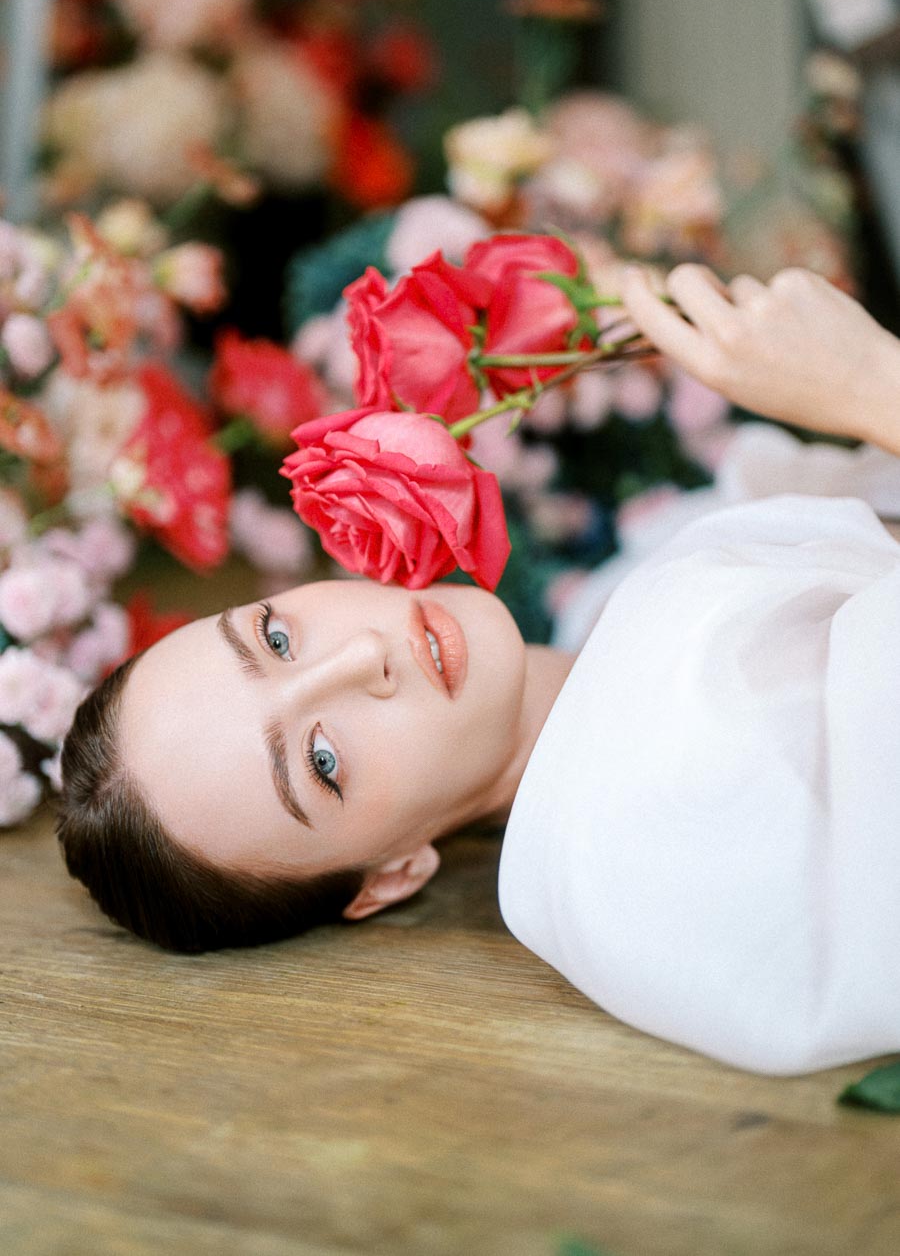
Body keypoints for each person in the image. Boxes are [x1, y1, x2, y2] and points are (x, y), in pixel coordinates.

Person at [57, 264, 900, 1076]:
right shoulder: (659, 830)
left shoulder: (601, 614)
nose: (362, 659)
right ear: (391, 876)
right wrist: (871, 388)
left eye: (276, 639)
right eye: (321, 761)